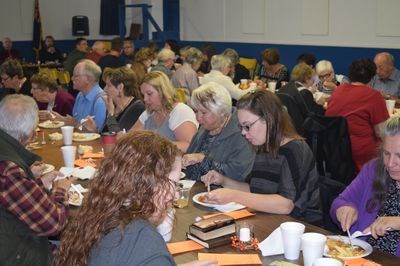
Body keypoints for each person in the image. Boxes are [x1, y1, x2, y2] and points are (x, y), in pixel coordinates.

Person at [56, 131, 217, 266]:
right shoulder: (144, 241)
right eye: (173, 184)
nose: (175, 195)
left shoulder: (104, 212)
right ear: (148, 183)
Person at [202, 90, 322, 224]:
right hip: (270, 221)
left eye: (247, 126)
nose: (243, 132)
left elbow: (286, 205)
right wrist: (223, 180)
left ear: (268, 119)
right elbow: (254, 189)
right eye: (241, 127)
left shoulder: (295, 150)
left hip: (301, 228)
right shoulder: (264, 147)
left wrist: (233, 196)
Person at [0, 94, 72, 265]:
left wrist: (37, 184)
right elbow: (53, 223)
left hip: (11, 237)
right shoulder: (9, 169)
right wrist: (60, 191)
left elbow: (14, 197)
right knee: (81, 249)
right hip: (17, 254)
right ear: (31, 132)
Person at [330, 116, 400, 257]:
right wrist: (343, 210)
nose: (391, 163)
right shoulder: (373, 169)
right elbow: (340, 202)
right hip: (360, 255)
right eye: (386, 153)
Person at [183, 82, 255, 181]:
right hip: (192, 188)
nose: (198, 117)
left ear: (222, 112)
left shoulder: (243, 133)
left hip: (221, 193)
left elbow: (239, 174)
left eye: (204, 112)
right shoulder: (206, 126)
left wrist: (202, 160)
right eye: (196, 111)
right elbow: (189, 158)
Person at [326, 59, 389, 172]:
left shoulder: (338, 91)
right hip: (362, 154)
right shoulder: (374, 96)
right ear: (372, 77)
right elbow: (382, 131)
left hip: (335, 149)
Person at [130, 71, 198, 152]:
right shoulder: (149, 112)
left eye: (149, 94)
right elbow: (131, 137)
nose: (145, 99)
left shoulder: (180, 111)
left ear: (163, 91)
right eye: (143, 95)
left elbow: (189, 146)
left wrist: (154, 145)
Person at [49, 59, 107, 132]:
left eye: (76, 76)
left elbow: (99, 134)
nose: (72, 78)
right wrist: (62, 119)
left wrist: (75, 124)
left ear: (87, 79)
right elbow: (77, 123)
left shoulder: (101, 101)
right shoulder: (80, 95)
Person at [101, 67, 145, 133]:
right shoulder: (113, 105)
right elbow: (105, 134)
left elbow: (118, 137)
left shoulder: (137, 108)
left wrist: (110, 114)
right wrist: (94, 129)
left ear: (120, 87)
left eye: (108, 85)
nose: (105, 89)